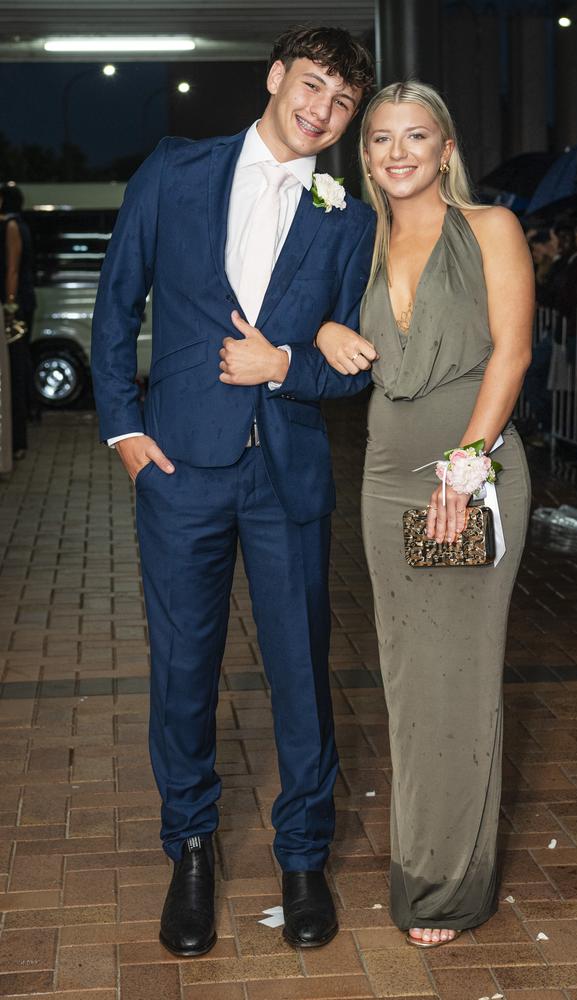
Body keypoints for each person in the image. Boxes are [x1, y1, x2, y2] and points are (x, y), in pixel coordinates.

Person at [91, 25, 376, 958]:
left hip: (287, 475)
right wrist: (127, 433)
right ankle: (193, 852)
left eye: (339, 102)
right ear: (275, 78)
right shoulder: (175, 170)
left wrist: (287, 361)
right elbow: (116, 300)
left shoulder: (349, 216)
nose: (320, 111)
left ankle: (303, 859)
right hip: (178, 470)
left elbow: (353, 367)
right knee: (182, 675)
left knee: (301, 675)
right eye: (310, 86)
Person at [312, 82, 533, 945]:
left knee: (458, 677)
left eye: (416, 137)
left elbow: (510, 356)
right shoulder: (354, 240)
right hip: (388, 474)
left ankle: (448, 888)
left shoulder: (491, 230)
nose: (397, 153)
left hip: (469, 472)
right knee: (408, 681)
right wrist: (327, 330)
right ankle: (422, 867)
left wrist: (467, 465)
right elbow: (309, 329)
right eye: (379, 140)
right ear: (362, 157)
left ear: (446, 148)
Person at [0, 183, 36, 459]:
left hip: (14, 310)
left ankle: (17, 442)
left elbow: (12, 269)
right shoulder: (18, 224)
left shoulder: (11, 226)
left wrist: (10, 306)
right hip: (19, 306)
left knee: (13, 372)